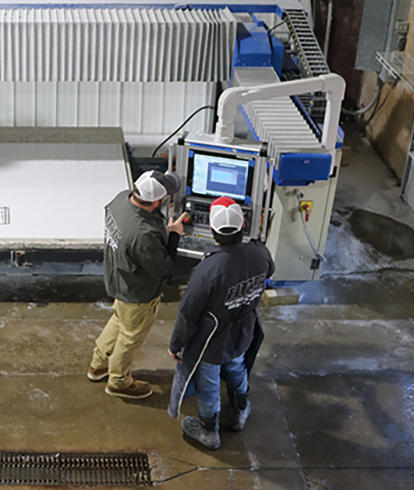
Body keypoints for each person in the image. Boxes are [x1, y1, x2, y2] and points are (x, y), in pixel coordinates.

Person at [167, 196, 275, 449]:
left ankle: (208, 432)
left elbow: (188, 314)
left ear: (212, 231)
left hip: (211, 341)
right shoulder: (260, 253)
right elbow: (268, 272)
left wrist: (176, 345)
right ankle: (239, 412)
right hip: (243, 330)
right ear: (243, 226)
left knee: (209, 383)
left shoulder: (209, 270)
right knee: (237, 368)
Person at [88, 170, 187, 399]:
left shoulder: (121, 199)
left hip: (119, 279)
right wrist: (174, 236)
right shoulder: (143, 235)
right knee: (131, 336)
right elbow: (163, 269)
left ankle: (98, 364)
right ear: (157, 201)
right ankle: (119, 381)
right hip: (138, 292)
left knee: (119, 321)